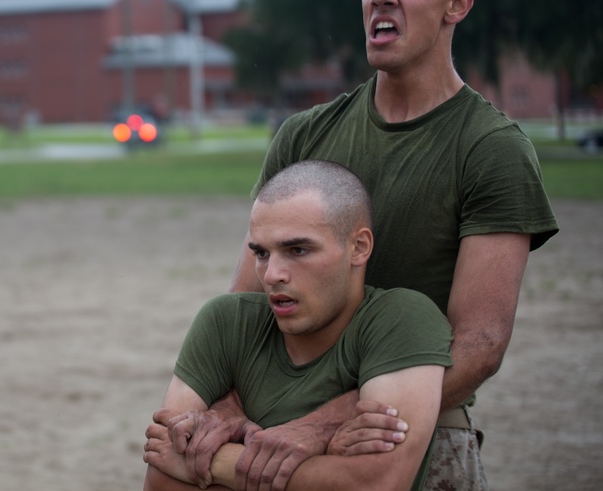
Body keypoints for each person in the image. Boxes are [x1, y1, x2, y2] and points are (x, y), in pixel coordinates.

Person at [174, 0, 559, 490]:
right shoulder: (304, 133)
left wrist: (327, 423)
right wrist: (229, 405)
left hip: (400, 429)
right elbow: (248, 303)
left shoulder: (491, 149)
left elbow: (478, 344)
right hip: (271, 428)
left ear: (458, 4)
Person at [143, 160, 453, 491]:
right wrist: (323, 464)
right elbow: (161, 476)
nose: (272, 274)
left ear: (359, 247)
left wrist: (218, 461)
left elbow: (377, 482)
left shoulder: (401, 319)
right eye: (261, 253)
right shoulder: (225, 323)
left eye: (298, 249)